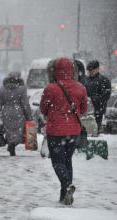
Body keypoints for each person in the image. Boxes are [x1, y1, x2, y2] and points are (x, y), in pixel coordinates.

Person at [40, 58, 87, 205]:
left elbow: (43, 109)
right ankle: (64, 195)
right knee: (67, 161)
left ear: (55, 70)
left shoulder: (51, 88)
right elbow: (84, 110)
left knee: (57, 162)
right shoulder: (81, 88)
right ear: (72, 70)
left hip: (56, 131)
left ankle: (67, 185)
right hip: (73, 131)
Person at [0, 72, 33, 156]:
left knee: (9, 132)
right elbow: (25, 104)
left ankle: (11, 145)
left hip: (6, 113)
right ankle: (12, 145)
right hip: (19, 112)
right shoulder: (22, 88)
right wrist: (29, 117)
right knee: (19, 132)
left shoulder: (3, 89)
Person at [85, 60, 111, 133]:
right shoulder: (86, 80)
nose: (90, 71)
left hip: (99, 109)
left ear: (97, 69)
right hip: (88, 110)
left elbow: (106, 95)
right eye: (89, 70)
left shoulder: (104, 80)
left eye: (92, 70)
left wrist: (94, 99)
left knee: (96, 128)